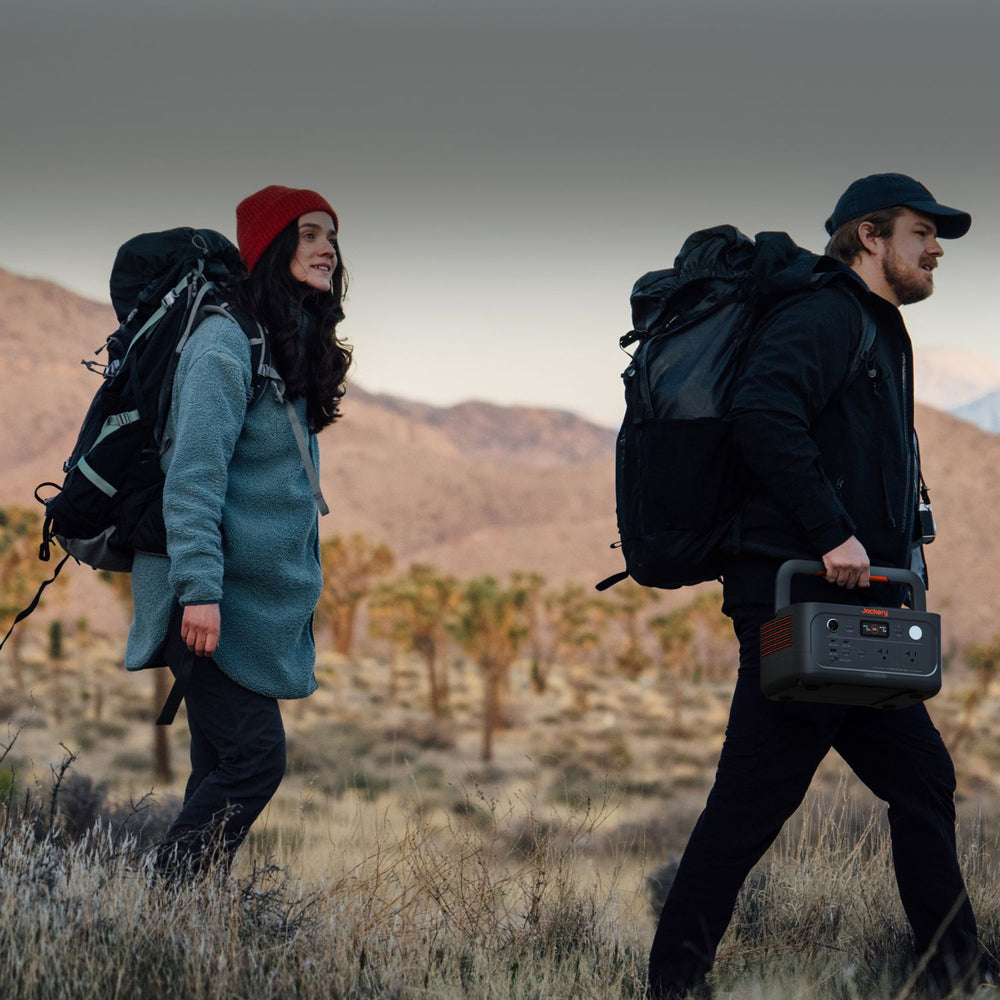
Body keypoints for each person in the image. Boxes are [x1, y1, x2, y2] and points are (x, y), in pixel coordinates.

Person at [647, 174, 982, 999]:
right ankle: (673, 980)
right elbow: (765, 411)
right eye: (920, 232)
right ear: (869, 236)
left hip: (847, 603)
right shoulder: (828, 312)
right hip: (798, 601)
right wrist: (834, 531)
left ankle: (956, 968)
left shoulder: (869, 325)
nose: (936, 248)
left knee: (918, 782)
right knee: (756, 798)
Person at [124, 184, 351, 877]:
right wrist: (198, 589)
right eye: (309, 234)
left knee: (219, 767)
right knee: (254, 762)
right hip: (210, 602)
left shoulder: (287, 346)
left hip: (246, 606)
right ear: (274, 246)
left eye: (332, 237)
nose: (327, 250)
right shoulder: (224, 342)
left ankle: (184, 930)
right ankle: (163, 903)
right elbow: (192, 476)